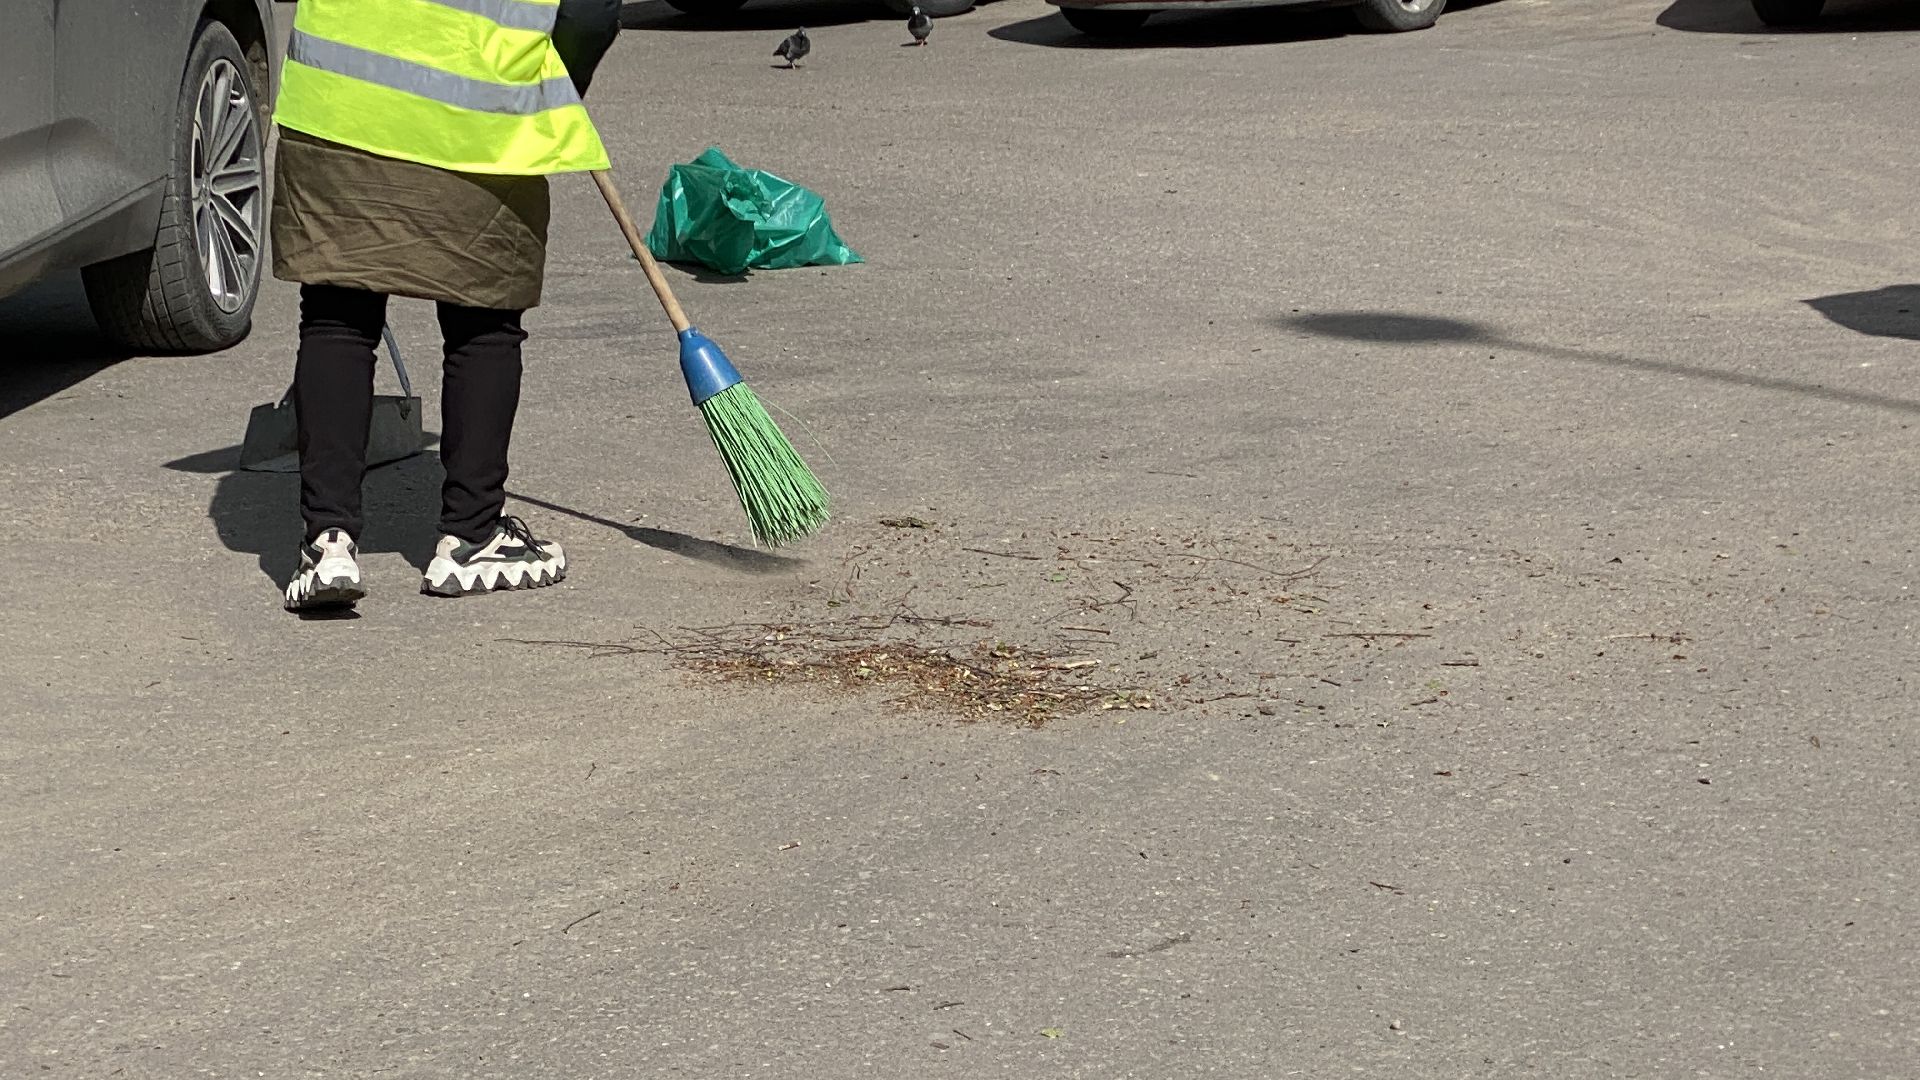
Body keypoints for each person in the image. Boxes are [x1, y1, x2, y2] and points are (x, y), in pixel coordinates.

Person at [270, 0, 622, 612]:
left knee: (336, 314)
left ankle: (327, 542)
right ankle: (472, 536)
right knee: (483, 318)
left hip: (338, 106)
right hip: (478, 122)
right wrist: (554, 87)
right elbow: (590, 13)